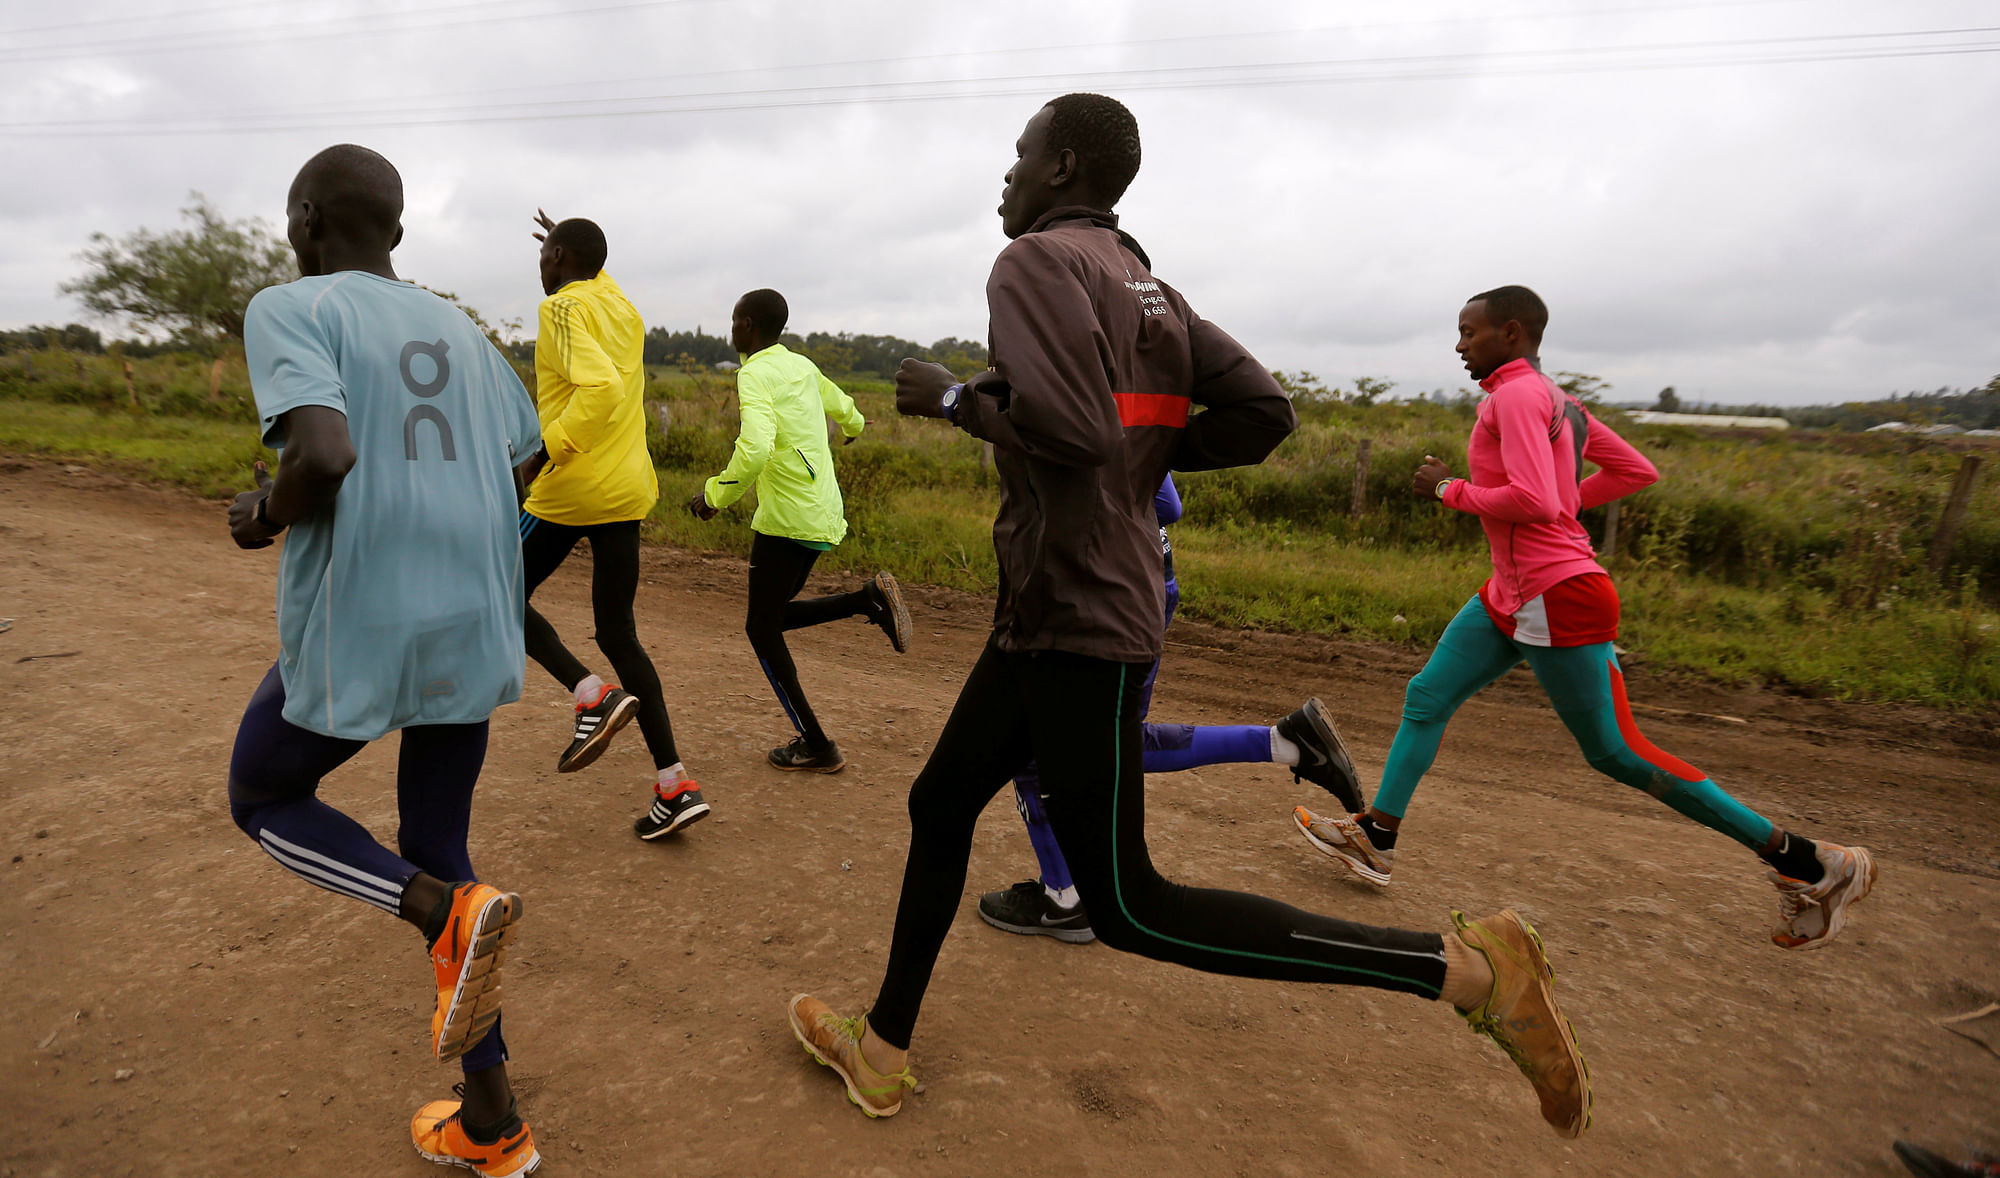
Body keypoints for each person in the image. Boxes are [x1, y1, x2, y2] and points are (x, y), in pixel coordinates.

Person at [784, 95, 1591, 1139]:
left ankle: (1468, 974)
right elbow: (1262, 414)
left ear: (1062, 165)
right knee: (941, 803)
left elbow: (1069, 429)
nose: (1004, 177)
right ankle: (881, 1050)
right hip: (1047, 611)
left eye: (1017, 156)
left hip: (1079, 616)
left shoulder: (1031, 264)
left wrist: (951, 402)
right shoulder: (1150, 287)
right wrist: (1135, 460)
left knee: (1127, 905)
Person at [1292, 285, 1876, 953]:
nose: (1459, 345)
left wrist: (1449, 490)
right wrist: (1563, 502)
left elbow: (1536, 500)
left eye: (1469, 332)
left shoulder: (1511, 397)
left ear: (1512, 334)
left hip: (1557, 593)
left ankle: (1811, 863)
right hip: (1511, 594)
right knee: (1426, 696)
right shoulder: (1562, 404)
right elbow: (1634, 471)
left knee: (1617, 753)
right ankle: (1379, 836)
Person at [224, 144, 542, 1176]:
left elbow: (322, 452)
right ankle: (492, 1119)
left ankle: (434, 909)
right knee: (438, 837)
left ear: (305, 218)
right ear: (397, 232)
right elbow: (524, 453)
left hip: (365, 614)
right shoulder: (463, 330)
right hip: (471, 609)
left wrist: (262, 514)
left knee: (265, 793)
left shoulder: (293, 306)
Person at [979, 472, 1362, 941]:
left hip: (1104, 596)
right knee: (1110, 741)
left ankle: (1066, 899)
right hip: (1136, 584)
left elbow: (1159, 504)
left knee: (1039, 751)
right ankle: (1287, 743)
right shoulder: (1120, 400)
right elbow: (1163, 500)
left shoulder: (1083, 400)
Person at [520, 210, 707, 841]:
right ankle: (674, 783)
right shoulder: (620, 307)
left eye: (547, 253)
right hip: (627, 487)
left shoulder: (562, 310)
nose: (539, 264)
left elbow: (596, 389)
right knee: (618, 632)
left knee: (492, 589)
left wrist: (542, 454)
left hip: (572, 485)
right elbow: (599, 277)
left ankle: (590, 695)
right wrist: (572, 240)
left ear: (564, 260)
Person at [688, 287, 911, 774]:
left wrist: (713, 496)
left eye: (733, 321)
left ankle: (817, 744)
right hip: (820, 512)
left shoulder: (754, 374)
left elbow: (754, 448)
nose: (730, 330)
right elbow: (842, 402)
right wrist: (853, 425)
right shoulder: (801, 365)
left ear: (747, 325)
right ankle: (864, 600)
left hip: (787, 520)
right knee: (772, 619)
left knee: (760, 627)